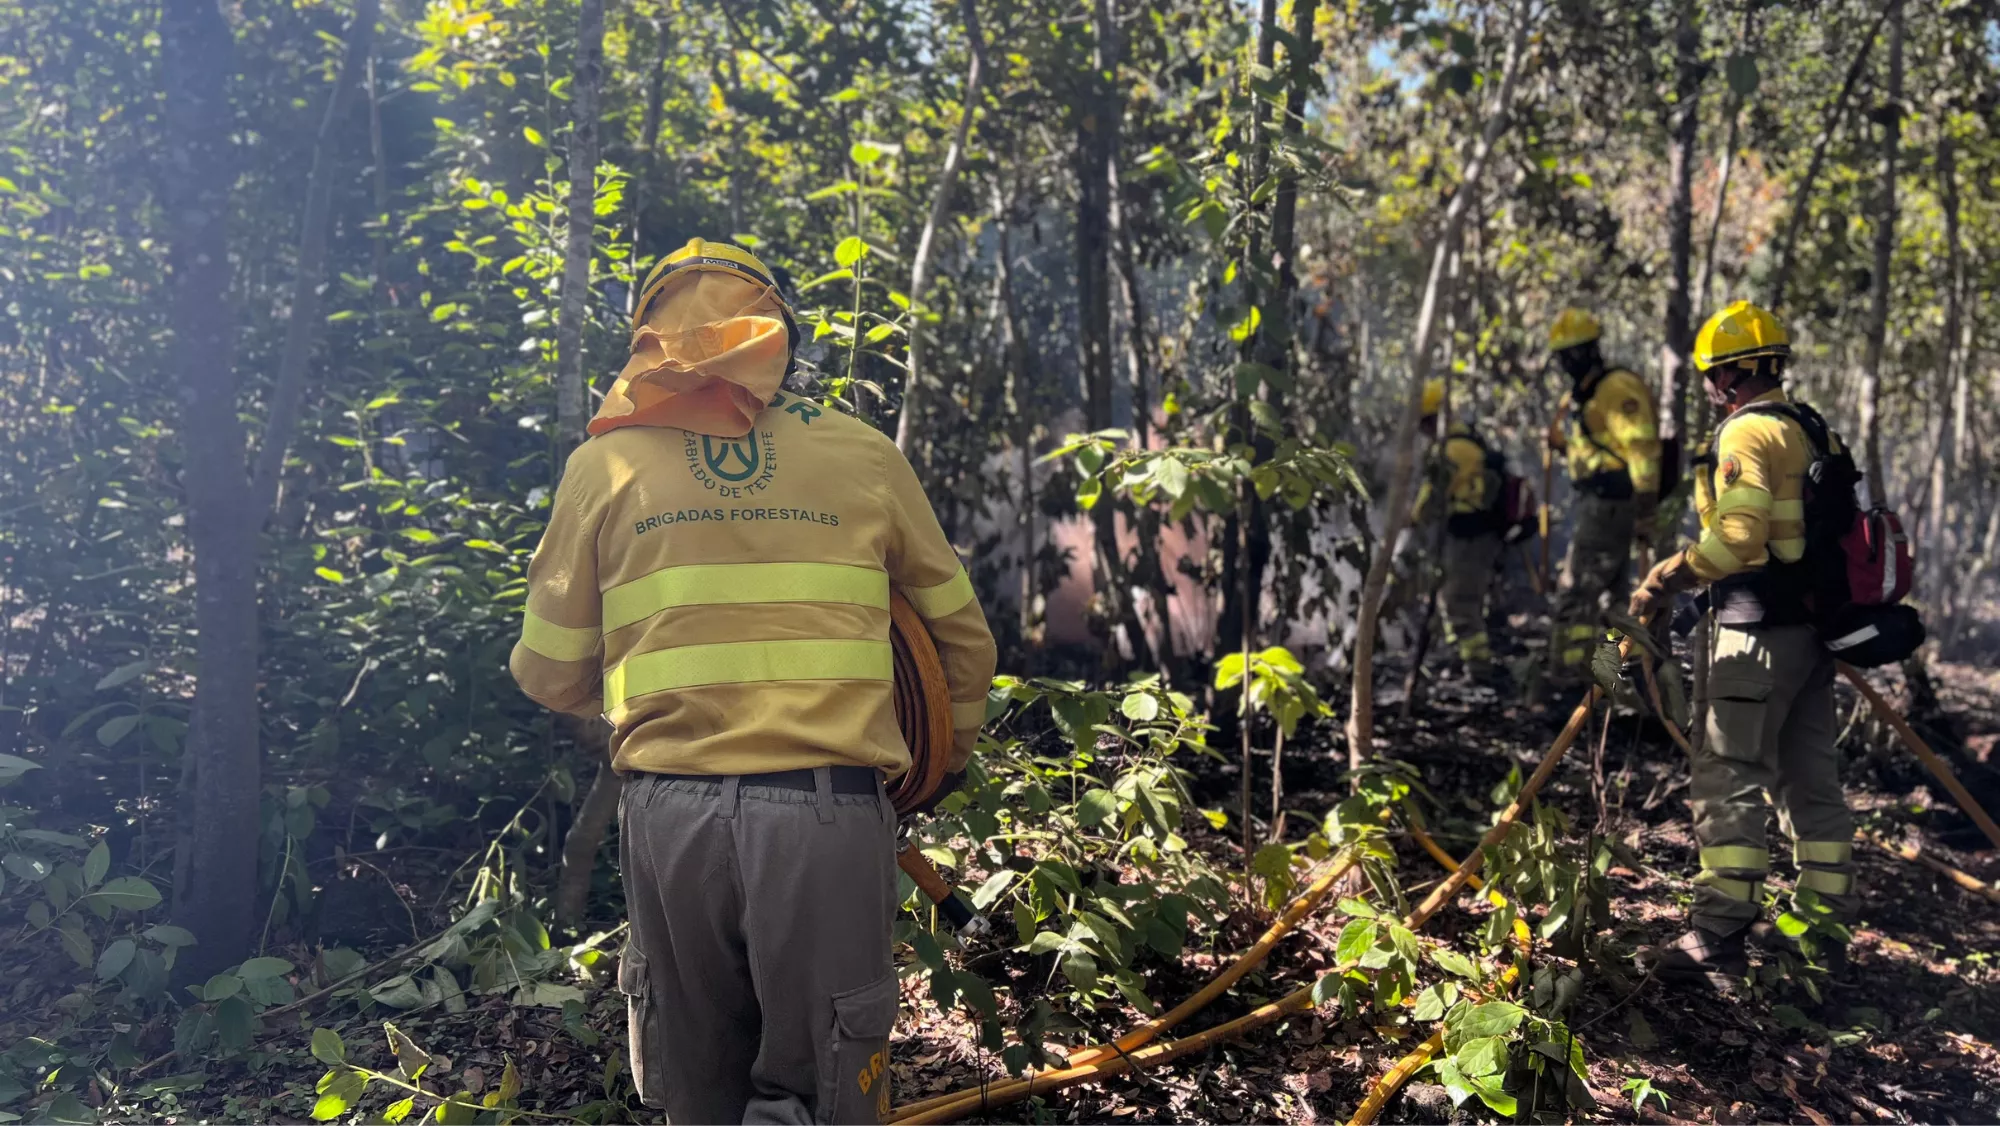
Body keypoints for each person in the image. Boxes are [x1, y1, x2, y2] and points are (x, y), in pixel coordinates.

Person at [509, 238, 998, 1123]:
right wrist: (940, 763)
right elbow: (962, 640)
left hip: (670, 816)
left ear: (648, 340)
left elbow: (546, 669)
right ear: (782, 342)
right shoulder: (862, 455)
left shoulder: (603, 468)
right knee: (825, 1085)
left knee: (698, 1085)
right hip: (828, 816)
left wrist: (647, 700)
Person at [1628, 300, 1855, 984]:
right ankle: (1821, 932)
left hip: (1754, 639)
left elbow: (1738, 539)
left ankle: (1719, 934)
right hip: (1811, 638)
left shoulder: (1747, 432)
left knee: (1728, 777)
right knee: (1811, 783)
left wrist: (1664, 578)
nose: (1708, 389)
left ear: (1732, 374)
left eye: (1711, 376)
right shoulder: (1811, 429)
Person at [1544, 308, 1662, 682]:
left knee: (1576, 590)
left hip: (1611, 503)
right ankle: (1622, 670)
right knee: (1613, 596)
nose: (1567, 363)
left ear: (1590, 349)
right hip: (1598, 501)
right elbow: (1594, 444)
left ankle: (1569, 673)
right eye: (1562, 356)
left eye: (1572, 354)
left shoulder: (1615, 387)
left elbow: (1641, 447)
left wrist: (1646, 505)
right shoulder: (1584, 393)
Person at [1413, 379, 1504, 676]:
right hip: (1473, 532)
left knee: (1460, 601)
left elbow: (1432, 497)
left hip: (1469, 533)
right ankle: (1461, 657)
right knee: (1454, 597)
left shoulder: (1450, 450)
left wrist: (1412, 519)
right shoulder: (1466, 440)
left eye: (1424, 423)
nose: (1423, 431)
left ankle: (1478, 667)